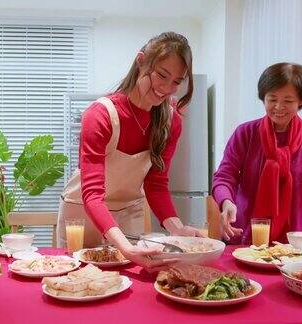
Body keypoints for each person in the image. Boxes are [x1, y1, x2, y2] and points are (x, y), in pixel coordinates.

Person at [58, 32, 203, 270]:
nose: (167, 88)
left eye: (177, 81)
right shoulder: (100, 115)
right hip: (83, 215)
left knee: (130, 285)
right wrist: (124, 246)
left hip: (128, 211)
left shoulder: (171, 120)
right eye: (162, 75)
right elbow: (93, 194)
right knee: (79, 281)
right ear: (141, 61)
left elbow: (156, 183)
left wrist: (178, 230)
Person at [212, 62, 302, 246]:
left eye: (288, 101)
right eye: (272, 99)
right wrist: (226, 201)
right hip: (241, 238)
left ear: (301, 101)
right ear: (263, 98)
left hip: (292, 244)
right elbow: (225, 176)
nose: (279, 107)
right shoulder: (245, 133)